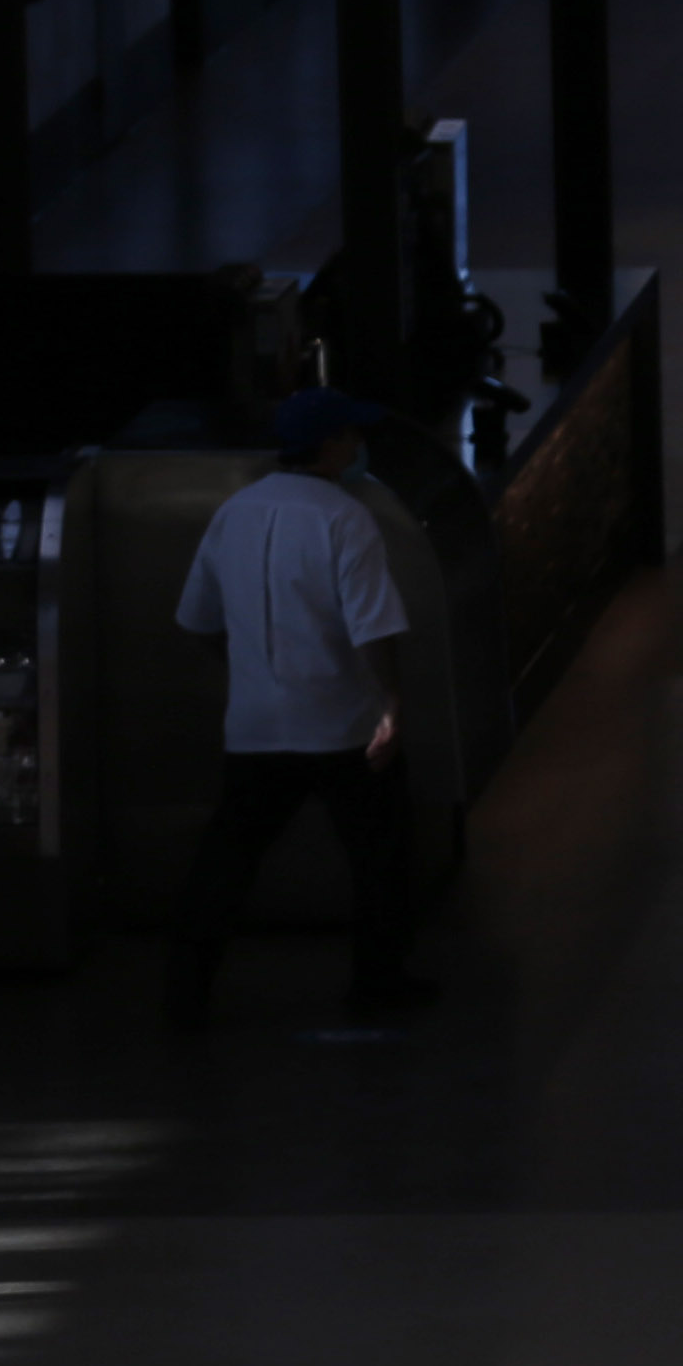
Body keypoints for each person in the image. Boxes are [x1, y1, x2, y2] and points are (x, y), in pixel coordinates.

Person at [164, 384, 423, 1030]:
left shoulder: (235, 511)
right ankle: (377, 983)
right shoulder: (344, 517)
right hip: (342, 727)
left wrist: (244, 668)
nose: (360, 446)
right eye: (353, 435)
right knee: (379, 857)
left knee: (226, 861)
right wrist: (392, 701)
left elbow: (196, 619)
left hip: (254, 728)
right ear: (331, 443)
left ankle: (186, 993)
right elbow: (371, 628)